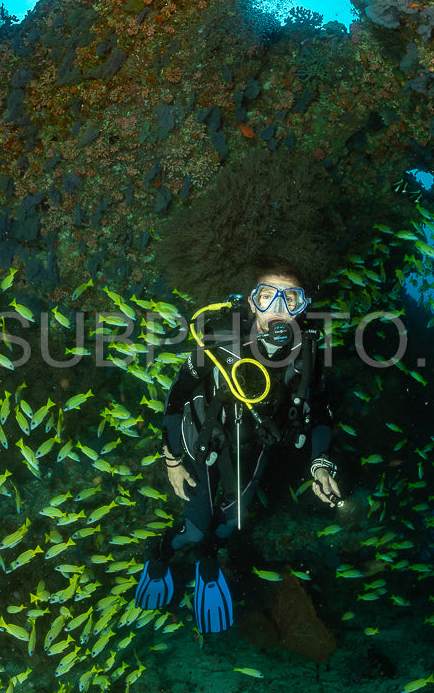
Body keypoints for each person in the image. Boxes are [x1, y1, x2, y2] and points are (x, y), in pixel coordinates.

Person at [134, 258, 342, 634]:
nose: (276, 310)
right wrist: (171, 458)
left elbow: (322, 414)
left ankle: (208, 557)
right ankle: (162, 552)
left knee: (233, 523)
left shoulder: (310, 356)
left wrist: (320, 464)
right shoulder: (218, 339)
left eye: (289, 300)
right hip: (202, 443)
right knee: (197, 529)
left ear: (302, 308)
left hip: (256, 451)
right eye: (267, 297)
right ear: (251, 302)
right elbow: (177, 395)